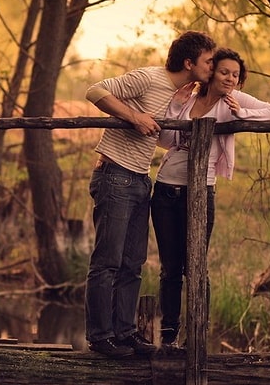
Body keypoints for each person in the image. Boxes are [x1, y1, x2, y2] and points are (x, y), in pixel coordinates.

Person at [84, 31, 217, 358]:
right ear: (189, 63)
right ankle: (101, 337)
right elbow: (94, 90)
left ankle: (126, 334)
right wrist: (133, 116)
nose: (212, 67)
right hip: (115, 174)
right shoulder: (148, 77)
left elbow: (164, 135)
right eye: (208, 61)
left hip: (141, 180)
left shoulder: (177, 93)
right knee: (107, 262)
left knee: (133, 264)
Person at [151, 48, 270, 349]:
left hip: (201, 193)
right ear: (212, 73)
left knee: (196, 264)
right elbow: (165, 141)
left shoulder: (231, 101)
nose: (230, 78)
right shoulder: (189, 97)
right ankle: (169, 336)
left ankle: (196, 335)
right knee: (170, 268)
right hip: (165, 190)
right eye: (224, 72)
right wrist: (175, 107)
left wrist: (242, 114)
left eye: (235, 75)